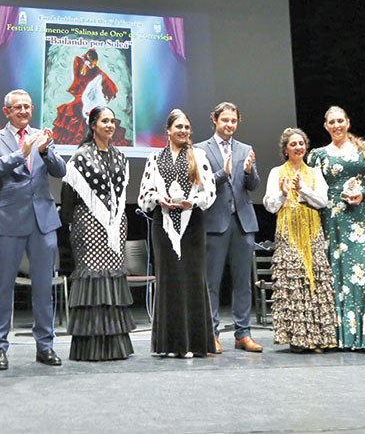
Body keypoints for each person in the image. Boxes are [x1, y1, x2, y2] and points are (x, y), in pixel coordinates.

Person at [0, 89, 66, 370]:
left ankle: (46, 346)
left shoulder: (42, 135)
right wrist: (21, 153)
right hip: (8, 220)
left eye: (28, 107)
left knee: (44, 288)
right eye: (17, 107)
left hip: (43, 220)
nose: (24, 112)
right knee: (2, 288)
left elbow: (60, 170)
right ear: (7, 111)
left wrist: (43, 150)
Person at [307, 106, 365, 351]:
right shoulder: (318, 155)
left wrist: (364, 194)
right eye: (332, 122)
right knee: (335, 275)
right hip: (332, 221)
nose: (337, 125)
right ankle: (339, 336)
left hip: (360, 219)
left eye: (341, 121)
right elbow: (314, 190)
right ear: (326, 126)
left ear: (348, 122)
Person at [137, 109, 216, 358]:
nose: (183, 130)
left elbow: (209, 191)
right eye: (178, 126)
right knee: (169, 280)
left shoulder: (198, 156)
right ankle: (169, 344)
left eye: (186, 127)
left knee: (192, 279)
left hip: (192, 224)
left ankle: (193, 343)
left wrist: (191, 202)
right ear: (168, 131)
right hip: (163, 226)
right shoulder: (154, 158)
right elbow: (144, 195)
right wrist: (159, 198)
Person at [61, 107, 136, 361]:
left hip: (115, 227)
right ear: (93, 125)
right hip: (88, 226)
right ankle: (91, 347)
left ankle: (114, 346)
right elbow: (68, 196)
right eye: (105, 121)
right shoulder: (80, 157)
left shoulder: (120, 156)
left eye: (113, 121)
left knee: (112, 278)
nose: (110, 125)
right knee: (93, 279)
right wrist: (71, 225)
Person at [194, 102, 262, 353]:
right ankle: (211, 333)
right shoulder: (200, 149)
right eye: (225, 120)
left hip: (243, 223)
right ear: (214, 119)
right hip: (214, 222)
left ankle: (243, 334)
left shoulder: (246, 149)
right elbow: (200, 184)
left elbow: (253, 185)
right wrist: (224, 173)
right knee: (211, 282)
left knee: (243, 282)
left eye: (233, 121)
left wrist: (247, 171)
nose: (229, 125)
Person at [262, 128, 337, 352]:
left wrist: (302, 189)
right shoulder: (277, 172)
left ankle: (318, 337)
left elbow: (323, 200)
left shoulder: (314, 172)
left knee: (315, 280)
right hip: (288, 231)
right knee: (294, 280)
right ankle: (298, 338)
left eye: (301, 143)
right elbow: (269, 205)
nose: (298, 147)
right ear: (286, 149)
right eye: (293, 144)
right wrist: (284, 193)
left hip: (312, 230)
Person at [51, 48, 117, 144]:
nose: (91, 66)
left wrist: (106, 97)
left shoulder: (98, 72)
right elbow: (77, 61)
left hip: (90, 100)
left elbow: (109, 85)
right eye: (90, 63)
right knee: (71, 110)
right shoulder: (80, 65)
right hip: (80, 97)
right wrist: (85, 61)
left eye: (93, 63)